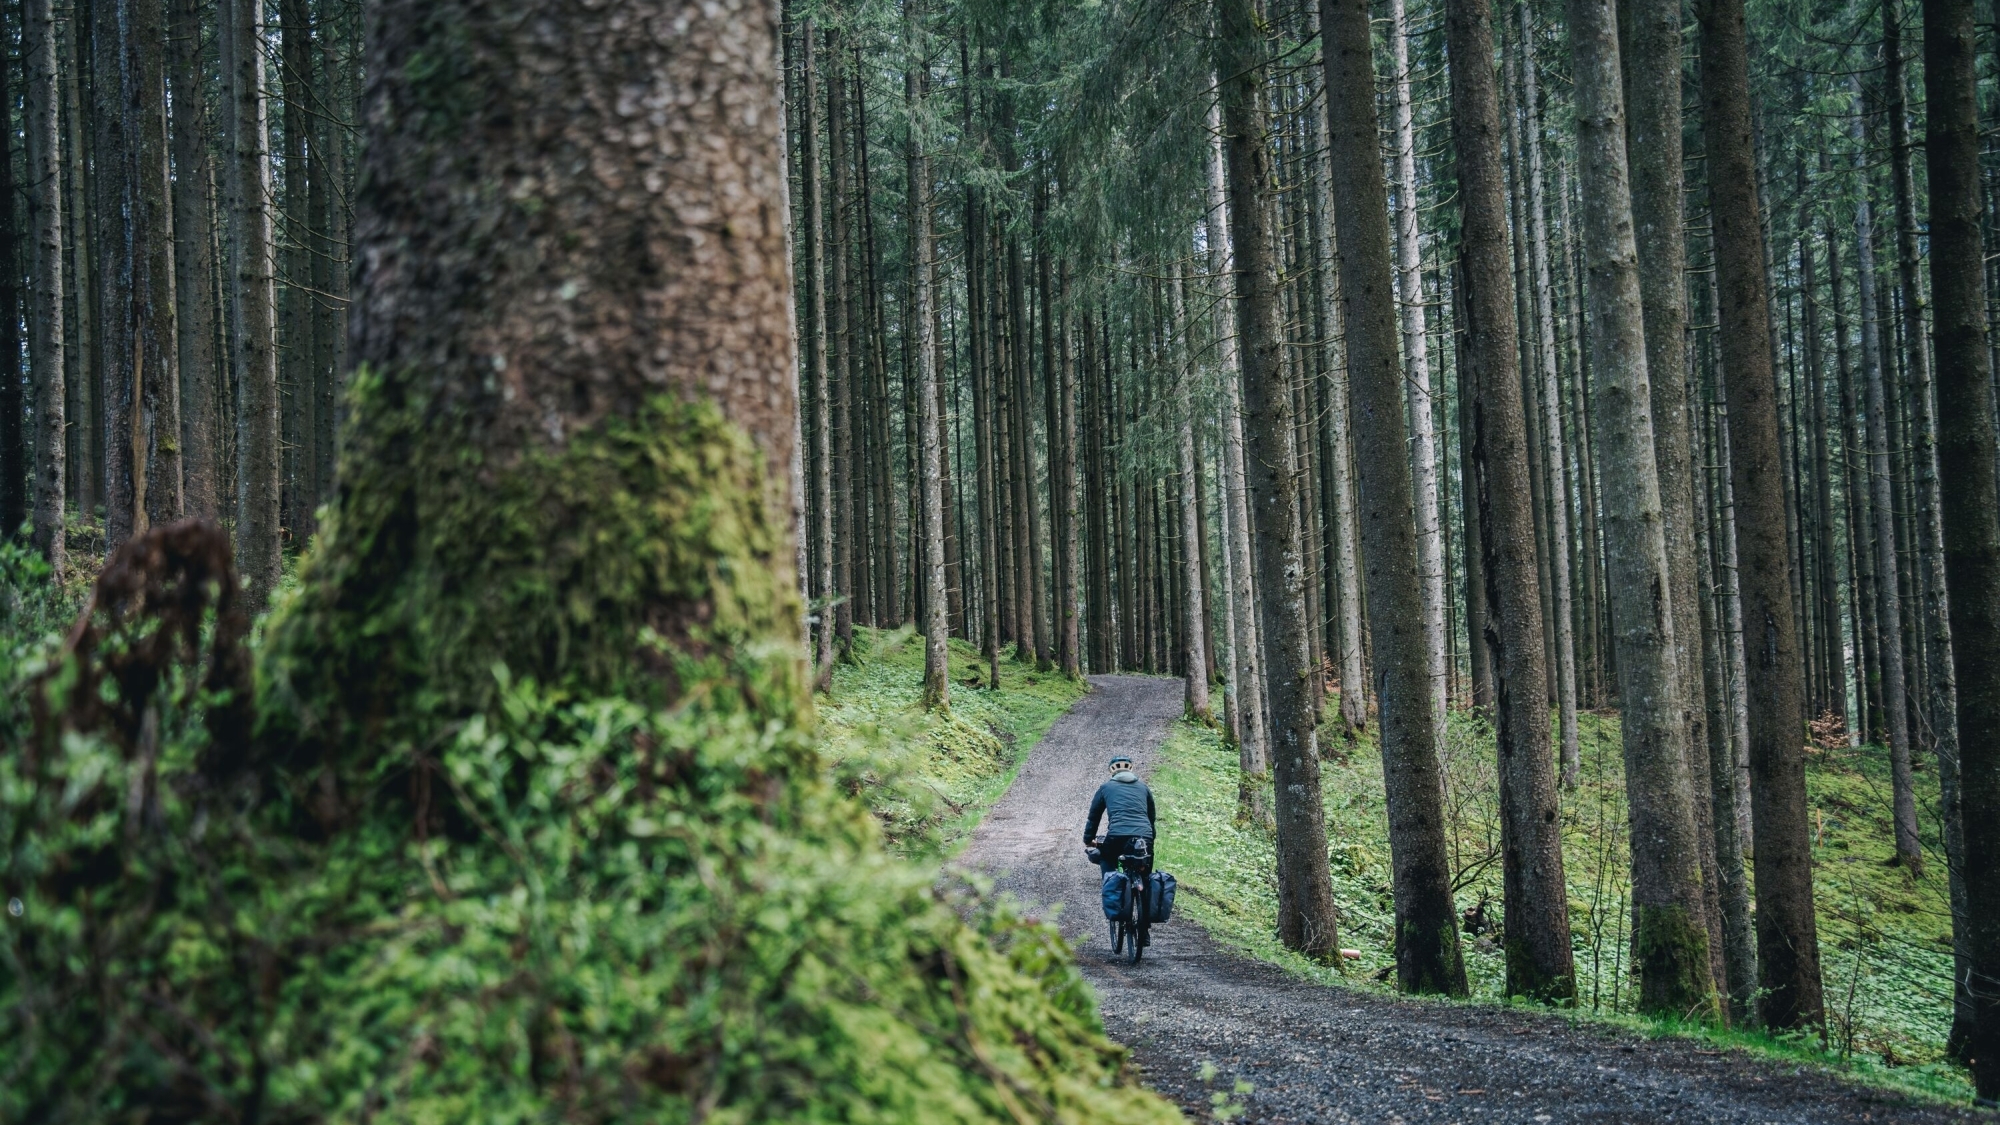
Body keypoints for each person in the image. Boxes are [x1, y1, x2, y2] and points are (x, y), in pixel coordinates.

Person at [1083, 754, 1155, 875]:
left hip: (1117, 835)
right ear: (1130, 769)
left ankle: (1110, 883)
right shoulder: (1144, 787)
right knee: (1146, 871)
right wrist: (1151, 838)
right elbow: (1151, 817)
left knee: (1106, 858)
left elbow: (1094, 817)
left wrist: (1088, 839)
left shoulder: (1105, 788)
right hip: (1144, 836)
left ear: (1112, 771)